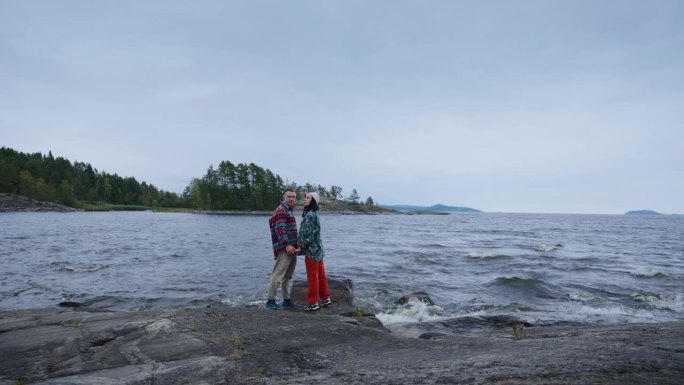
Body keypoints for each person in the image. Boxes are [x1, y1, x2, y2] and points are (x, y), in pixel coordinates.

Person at [266, 189, 300, 309]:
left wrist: (297, 245)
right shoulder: (281, 210)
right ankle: (270, 301)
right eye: (289, 197)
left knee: (287, 276)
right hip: (285, 248)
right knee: (277, 275)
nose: (291, 199)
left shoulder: (288, 210)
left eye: (293, 197)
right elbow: (280, 230)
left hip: (292, 248)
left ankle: (286, 300)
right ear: (284, 197)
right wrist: (287, 245)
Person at [298, 192, 332, 311]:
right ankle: (326, 298)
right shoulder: (316, 214)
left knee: (313, 277)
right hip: (319, 249)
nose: (304, 200)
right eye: (305, 197)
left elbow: (308, 235)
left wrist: (300, 247)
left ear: (313, 201)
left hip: (312, 251)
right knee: (321, 275)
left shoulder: (309, 215)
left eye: (308, 198)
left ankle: (313, 303)